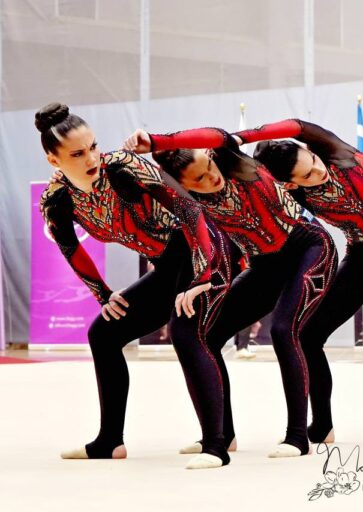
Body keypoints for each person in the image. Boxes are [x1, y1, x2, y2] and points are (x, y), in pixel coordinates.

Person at [36, 103, 232, 469]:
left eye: (93, 146)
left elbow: (190, 211)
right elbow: (70, 248)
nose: (91, 157)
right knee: (104, 334)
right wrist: (103, 294)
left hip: (200, 247)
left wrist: (203, 275)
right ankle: (110, 441)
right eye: (77, 154)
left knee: (186, 332)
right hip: (166, 264)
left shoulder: (124, 167)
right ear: (54, 160)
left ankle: (216, 446)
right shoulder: (56, 199)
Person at [124, 126, 338, 456]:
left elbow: (220, 136)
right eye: (198, 180)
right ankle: (223, 434)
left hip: (308, 247)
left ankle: (298, 436)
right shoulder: (188, 201)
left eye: (208, 168)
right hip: (264, 264)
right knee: (208, 337)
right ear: (184, 186)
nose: (211, 179)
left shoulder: (233, 163)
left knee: (284, 330)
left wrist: (156, 141)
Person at [236, 119, 363, 448]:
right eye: (308, 176)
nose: (318, 173)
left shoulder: (337, 153)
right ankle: (322, 425)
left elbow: (298, 125)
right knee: (309, 334)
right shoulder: (296, 197)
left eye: (313, 162)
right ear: (291, 186)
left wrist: (241, 136)